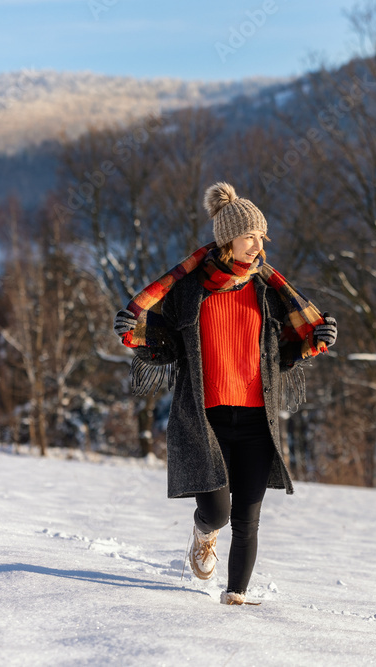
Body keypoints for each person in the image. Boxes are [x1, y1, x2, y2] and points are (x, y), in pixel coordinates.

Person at [113, 182, 337, 605]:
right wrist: (136, 335)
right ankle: (203, 534)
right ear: (227, 238)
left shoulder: (269, 292)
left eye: (261, 237)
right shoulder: (188, 290)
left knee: (247, 520)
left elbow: (285, 353)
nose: (258, 245)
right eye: (250, 235)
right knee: (217, 512)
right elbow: (166, 346)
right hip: (205, 420)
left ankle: (235, 595)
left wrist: (315, 340)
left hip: (256, 421)